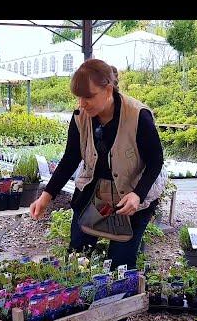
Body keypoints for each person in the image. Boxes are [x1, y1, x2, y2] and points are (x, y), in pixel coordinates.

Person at [29, 59, 164, 270]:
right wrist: (46, 197)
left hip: (130, 197)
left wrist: (138, 194)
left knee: (120, 266)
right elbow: (70, 158)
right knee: (77, 258)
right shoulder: (80, 117)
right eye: (79, 97)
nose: (82, 103)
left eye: (88, 96)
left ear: (108, 89)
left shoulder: (138, 116)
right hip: (94, 195)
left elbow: (156, 160)